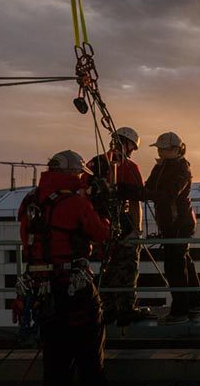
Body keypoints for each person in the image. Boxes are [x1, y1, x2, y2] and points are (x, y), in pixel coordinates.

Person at [18, 150, 110, 385]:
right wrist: (103, 211)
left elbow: (27, 241)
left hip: (42, 290)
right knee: (90, 362)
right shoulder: (75, 202)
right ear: (72, 172)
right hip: (75, 289)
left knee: (55, 363)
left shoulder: (31, 200)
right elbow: (101, 233)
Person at [87, 127, 155, 326]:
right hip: (121, 225)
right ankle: (125, 309)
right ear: (130, 146)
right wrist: (136, 230)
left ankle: (107, 308)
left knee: (106, 267)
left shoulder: (95, 163)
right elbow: (135, 202)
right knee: (126, 267)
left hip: (99, 225)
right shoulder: (129, 167)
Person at [145, 132, 200, 325]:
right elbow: (151, 189)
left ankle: (180, 311)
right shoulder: (167, 166)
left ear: (175, 150)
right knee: (183, 261)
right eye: (160, 149)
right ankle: (194, 304)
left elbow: (168, 194)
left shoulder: (179, 168)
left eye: (163, 149)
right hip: (177, 222)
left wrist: (138, 192)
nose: (161, 152)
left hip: (177, 223)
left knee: (175, 266)